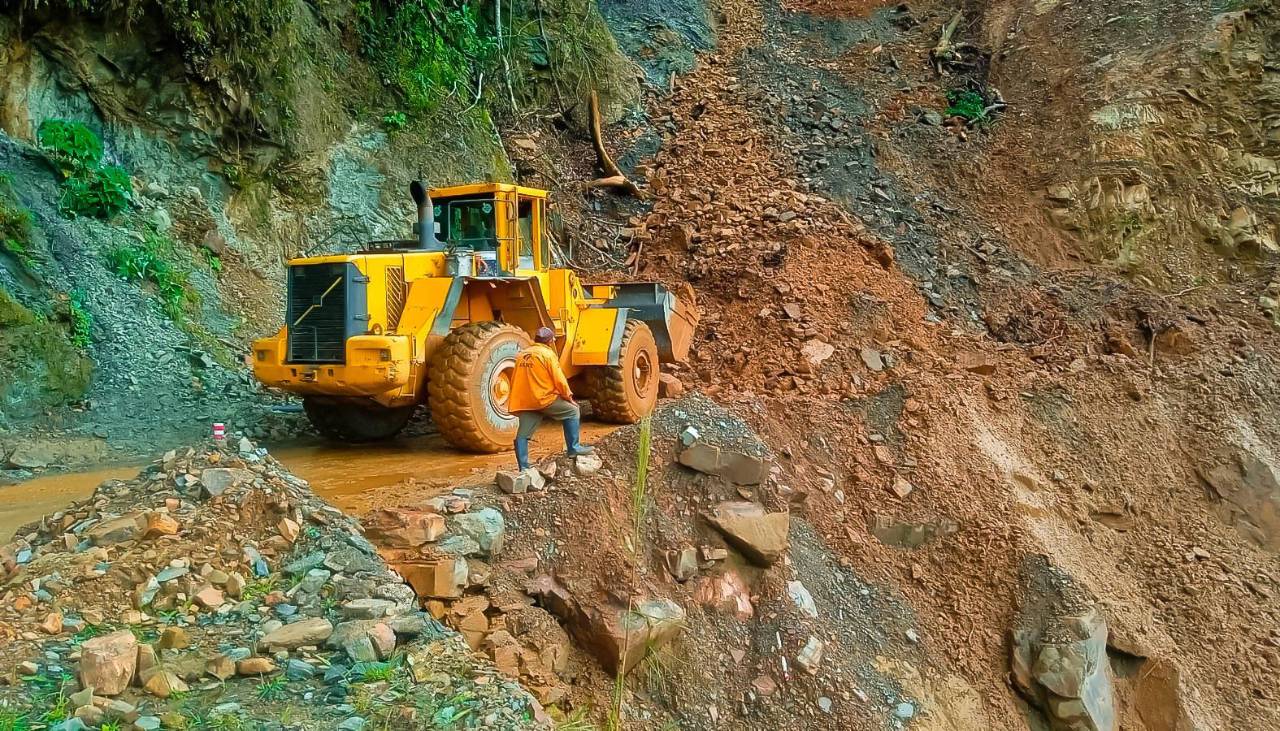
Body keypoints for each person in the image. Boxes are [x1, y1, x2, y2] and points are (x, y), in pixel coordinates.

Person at [508, 326, 595, 470]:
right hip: (544, 399)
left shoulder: (522, 355)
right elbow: (559, 379)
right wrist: (568, 396)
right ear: (549, 341)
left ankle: (523, 467)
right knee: (573, 411)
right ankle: (573, 448)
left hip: (527, 402)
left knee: (522, 434)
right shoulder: (547, 355)